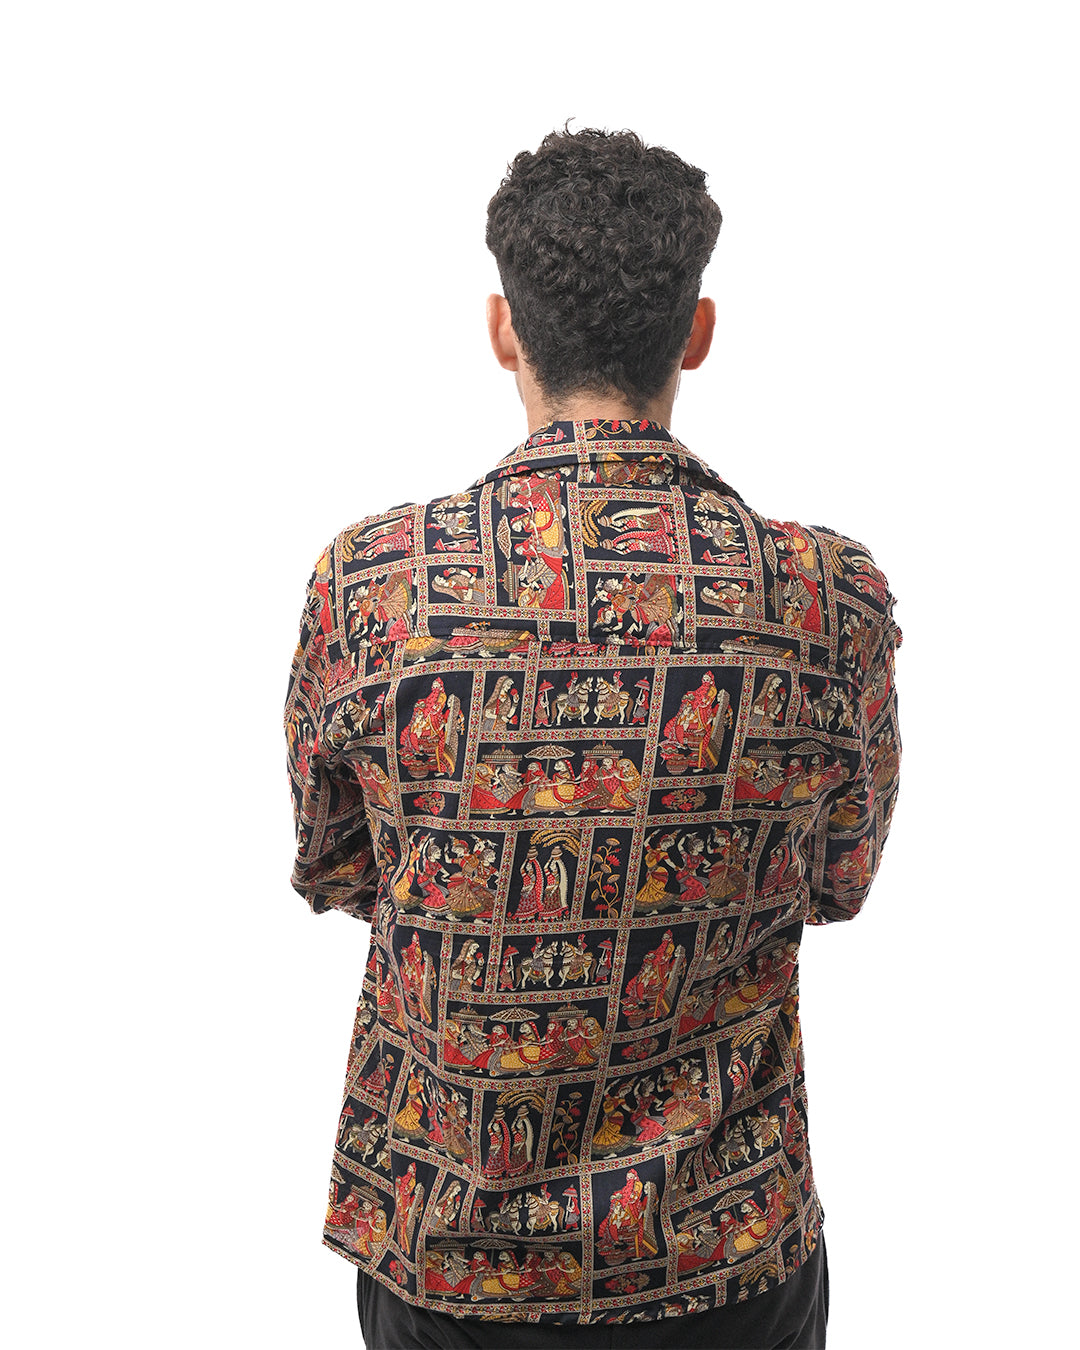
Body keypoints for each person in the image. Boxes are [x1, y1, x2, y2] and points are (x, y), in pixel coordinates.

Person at [284, 127, 902, 1348]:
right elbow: (839, 879)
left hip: (450, 1247)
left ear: (504, 331)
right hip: (722, 1253)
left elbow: (338, 865)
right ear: (696, 332)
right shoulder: (825, 599)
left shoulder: (372, 585)